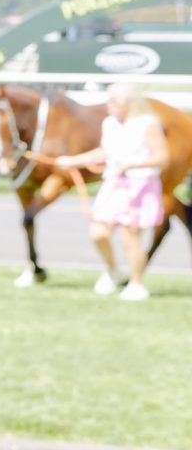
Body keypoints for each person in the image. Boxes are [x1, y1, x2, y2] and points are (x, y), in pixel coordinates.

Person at [59, 84, 169, 300]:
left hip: (140, 184)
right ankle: (112, 270)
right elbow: (105, 151)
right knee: (98, 233)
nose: (109, 105)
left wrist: (132, 165)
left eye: (114, 101)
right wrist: (73, 161)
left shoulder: (147, 123)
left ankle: (136, 284)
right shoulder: (110, 123)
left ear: (129, 103)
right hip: (114, 183)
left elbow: (162, 157)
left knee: (130, 237)